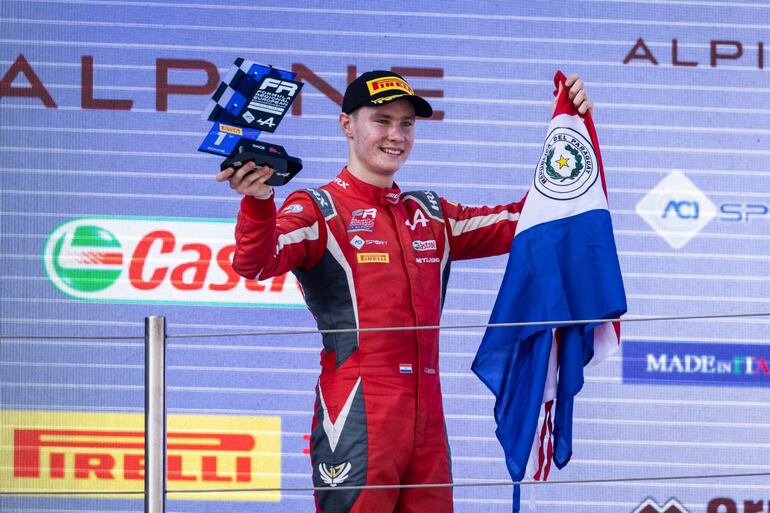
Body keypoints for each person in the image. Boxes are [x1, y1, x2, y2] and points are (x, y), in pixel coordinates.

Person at [216, 70, 592, 513]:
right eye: (382, 121)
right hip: (359, 407)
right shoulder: (318, 208)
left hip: (428, 414)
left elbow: (527, 221)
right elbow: (256, 263)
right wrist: (258, 202)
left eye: (406, 124)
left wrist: (573, 139)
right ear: (346, 125)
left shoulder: (430, 214)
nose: (396, 135)